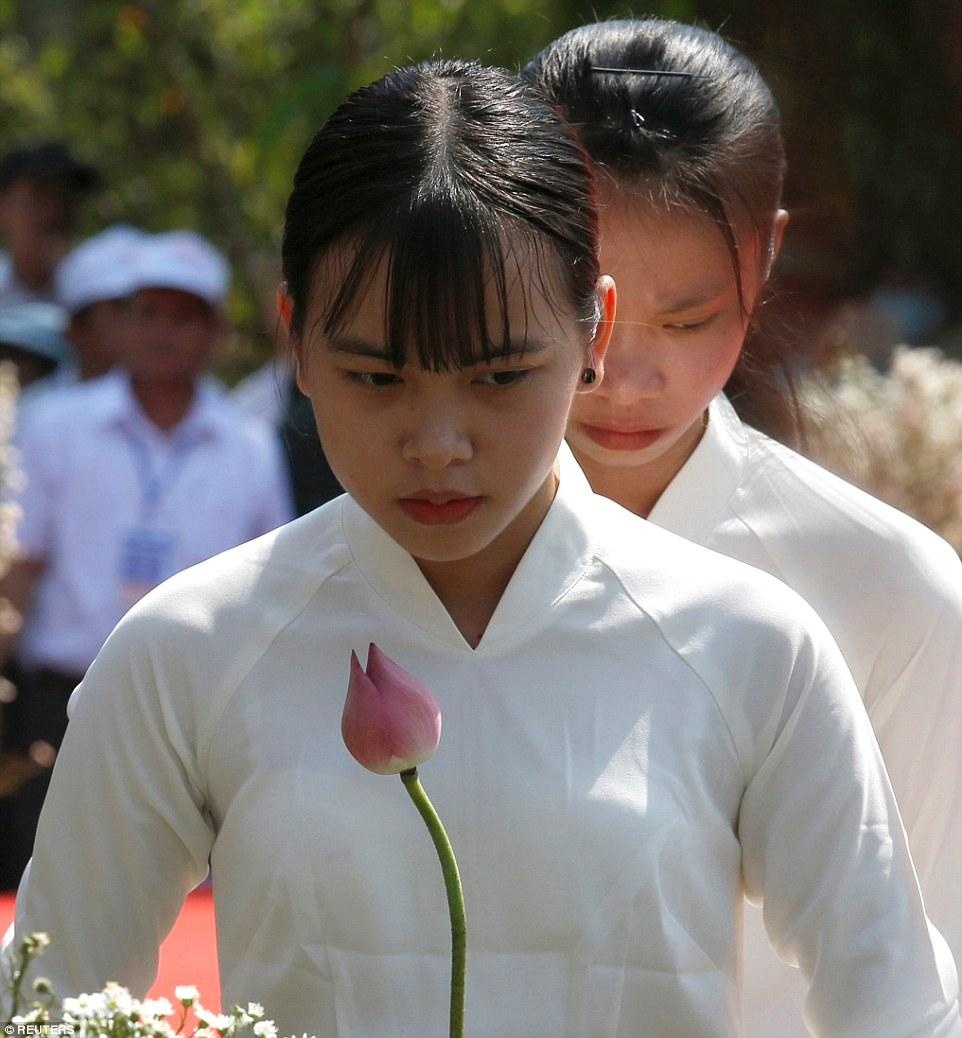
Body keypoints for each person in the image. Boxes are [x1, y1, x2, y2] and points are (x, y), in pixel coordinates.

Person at [7, 60, 961, 1037]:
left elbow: (894, 1007)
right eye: (377, 378)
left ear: (590, 327)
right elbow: (45, 1000)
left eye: (500, 376)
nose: (437, 442)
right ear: (294, 339)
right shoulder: (188, 647)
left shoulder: (750, 645)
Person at [523, 18, 962, 1037]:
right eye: (583, 311)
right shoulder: (397, 556)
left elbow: (930, 976)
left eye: (686, 321)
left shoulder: (888, 595)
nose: (627, 379)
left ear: (764, 253)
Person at [0, 229, 293, 886]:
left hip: (198, 709)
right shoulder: (55, 423)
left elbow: (272, 590)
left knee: (187, 899)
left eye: (183, 317)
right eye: (149, 314)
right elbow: (17, 565)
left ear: (215, 332)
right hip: (61, 699)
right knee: (49, 892)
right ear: (122, 324)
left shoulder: (248, 445)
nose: (164, 332)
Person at [0, 143, 102, 307]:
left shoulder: (109, 293)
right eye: (40, 195)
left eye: (67, 196)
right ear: (3, 206)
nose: (55, 211)